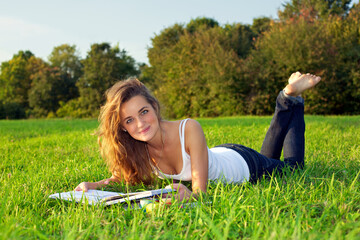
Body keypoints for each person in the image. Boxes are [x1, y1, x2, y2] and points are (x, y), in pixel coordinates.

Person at [75, 72, 321, 201]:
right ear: (123, 128)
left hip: (246, 166)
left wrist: (189, 195)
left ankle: (291, 98)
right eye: (129, 120)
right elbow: (122, 178)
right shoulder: (138, 148)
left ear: (154, 107)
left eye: (144, 112)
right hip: (222, 153)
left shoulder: (188, 128)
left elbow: (199, 193)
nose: (140, 124)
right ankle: (288, 99)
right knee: (269, 156)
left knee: (293, 168)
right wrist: (93, 186)